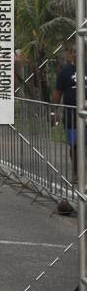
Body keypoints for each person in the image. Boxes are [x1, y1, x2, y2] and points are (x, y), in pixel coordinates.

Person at [52, 44, 85, 185]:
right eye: (73, 52)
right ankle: (77, 173)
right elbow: (57, 92)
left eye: (79, 51)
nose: (76, 54)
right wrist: (53, 111)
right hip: (72, 116)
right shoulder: (65, 72)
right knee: (75, 145)